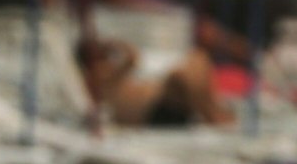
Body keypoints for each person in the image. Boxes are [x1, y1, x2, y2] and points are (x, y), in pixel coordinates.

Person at [75, 36, 234, 129]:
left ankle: (212, 111)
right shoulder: (96, 75)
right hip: (153, 113)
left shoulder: (104, 74)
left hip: (161, 109)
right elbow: (133, 57)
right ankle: (212, 114)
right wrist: (114, 44)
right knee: (180, 75)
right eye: (99, 50)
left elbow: (133, 59)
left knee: (199, 59)